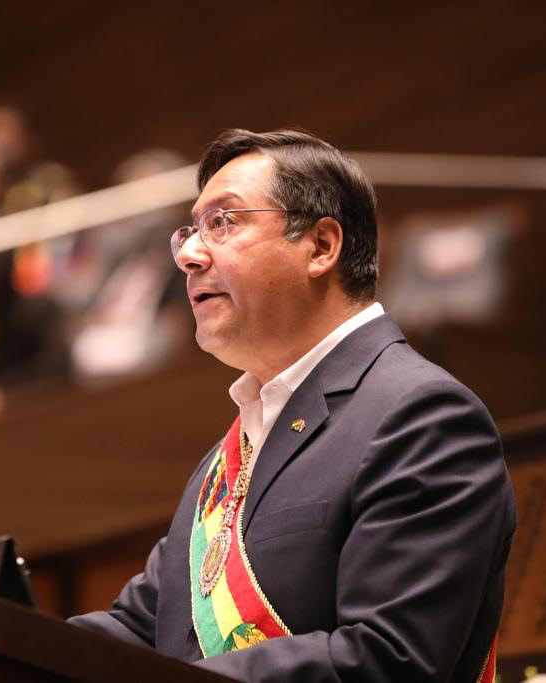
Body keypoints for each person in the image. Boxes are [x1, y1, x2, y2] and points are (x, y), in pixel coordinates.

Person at [68, 128, 517, 683]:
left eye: (223, 222)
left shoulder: (422, 415)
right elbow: (142, 630)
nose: (187, 254)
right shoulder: (225, 459)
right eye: (190, 229)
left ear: (322, 247)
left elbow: (390, 658)